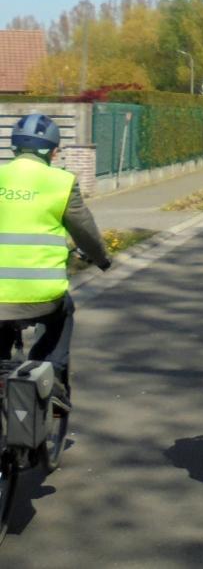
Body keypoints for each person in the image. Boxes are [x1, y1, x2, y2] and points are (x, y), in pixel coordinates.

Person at [0, 114, 111, 409]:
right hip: (42, 295)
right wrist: (101, 258)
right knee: (63, 312)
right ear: (52, 151)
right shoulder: (61, 182)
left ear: (14, 148)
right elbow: (84, 230)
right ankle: (51, 375)